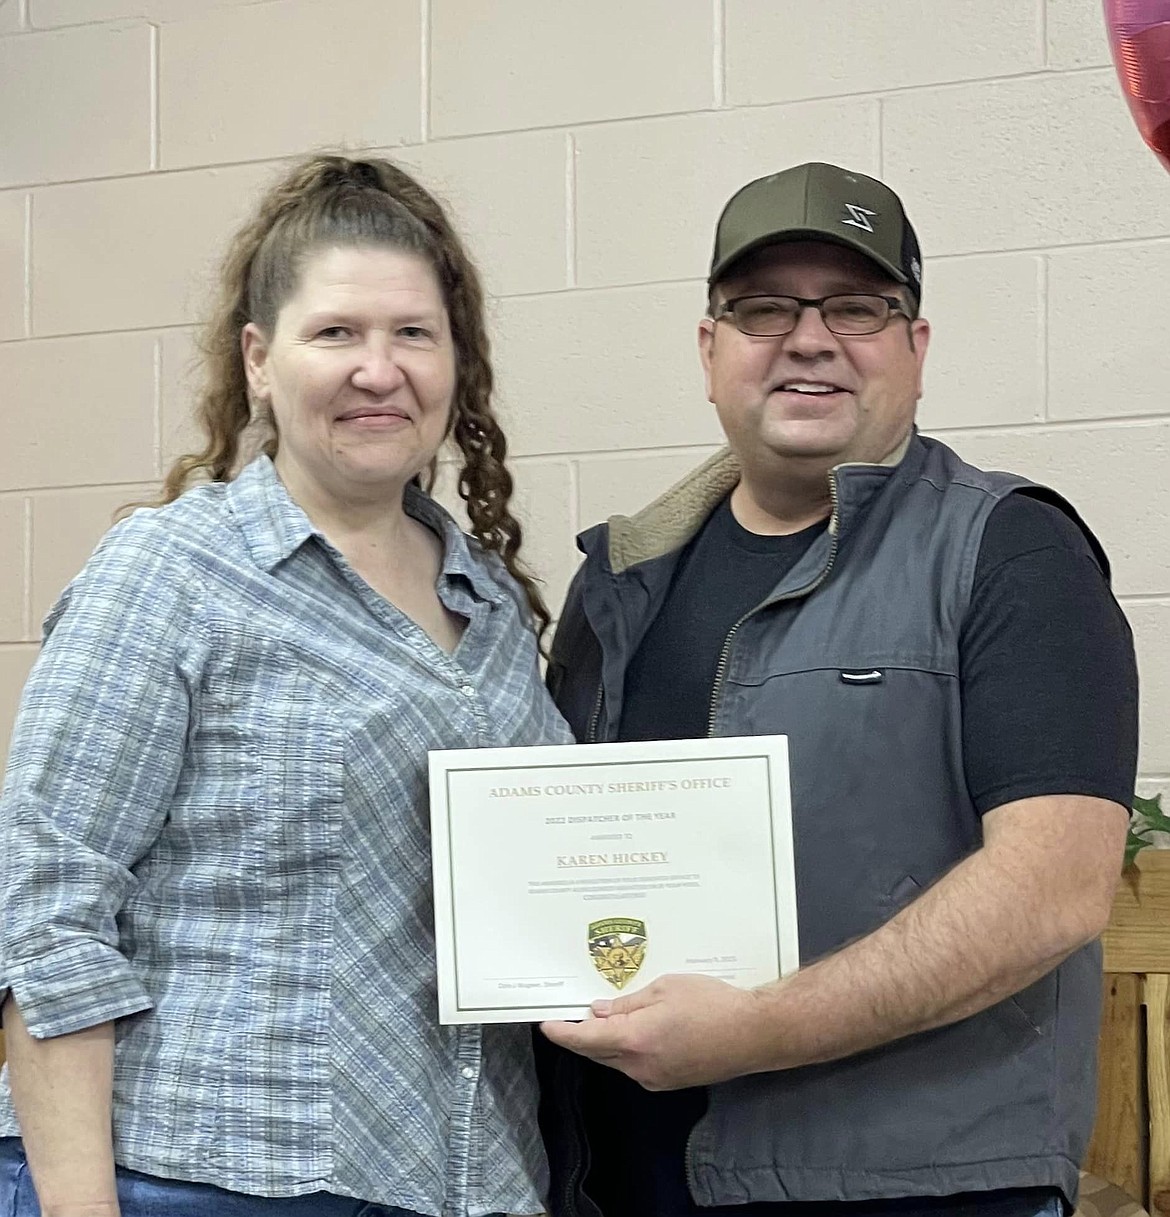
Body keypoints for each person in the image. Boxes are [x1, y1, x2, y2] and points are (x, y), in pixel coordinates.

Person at [536, 162, 1139, 1217]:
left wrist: (756, 1028)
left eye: (858, 306)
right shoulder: (617, 583)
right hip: (632, 1182)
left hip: (925, 1194)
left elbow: (1056, 887)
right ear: (709, 350)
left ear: (917, 348)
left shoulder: (1011, 550)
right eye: (763, 307)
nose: (809, 338)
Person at [0, 153, 572, 1217]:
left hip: (464, 1180)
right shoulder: (170, 570)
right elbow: (49, 914)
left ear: (457, 365)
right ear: (260, 360)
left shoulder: (490, 604)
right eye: (336, 333)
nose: (378, 367)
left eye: (413, 333)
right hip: (195, 1179)